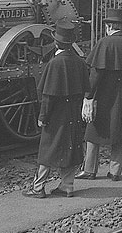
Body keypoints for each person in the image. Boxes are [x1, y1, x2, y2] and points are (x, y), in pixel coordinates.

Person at [23, 21, 89, 199]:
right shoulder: (79, 62)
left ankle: (38, 188)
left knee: (48, 149)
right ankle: (67, 186)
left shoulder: (54, 64)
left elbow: (48, 95)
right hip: (73, 113)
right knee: (71, 147)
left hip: (56, 114)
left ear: (56, 43)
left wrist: (42, 116)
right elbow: (87, 88)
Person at [76, 8, 122, 182]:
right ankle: (115, 172)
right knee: (120, 131)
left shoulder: (105, 43)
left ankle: (89, 170)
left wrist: (88, 97)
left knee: (92, 132)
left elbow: (95, 74)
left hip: (104, 95)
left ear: (109, 26)